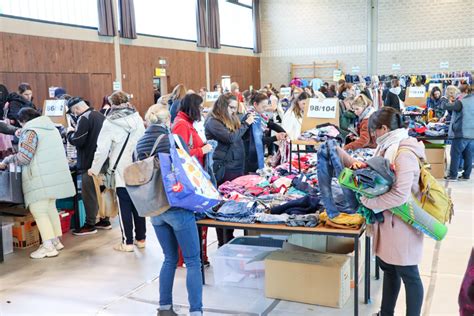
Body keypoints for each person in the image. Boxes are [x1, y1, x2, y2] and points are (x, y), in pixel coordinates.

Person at [339, 107, 425, 316]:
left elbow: (400, 195)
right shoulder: (387, 147)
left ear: (384, 128)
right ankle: (386, 313)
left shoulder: (404, 153)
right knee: (390, 269)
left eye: (373, 131)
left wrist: (368, 202)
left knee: (409, 274)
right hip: (389, 223)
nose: (372, 136)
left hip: (404, 223)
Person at [135, 105, 203, 316]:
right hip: (177, 205)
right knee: (192, 260)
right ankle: (196, 312)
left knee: (169, 258)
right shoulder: (172, 139)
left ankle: (164, 308)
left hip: (155, 208)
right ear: (167, 121)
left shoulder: (139, 144)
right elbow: (188, 168)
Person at [0, 108, 75, 259]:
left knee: (39, 210)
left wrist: (7, 160)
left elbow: (24, 158)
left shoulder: (30, 132)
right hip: (54, 176)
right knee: (50, 208)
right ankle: (55, 241)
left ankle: (47, 247)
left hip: (39, 177)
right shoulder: (51, 128)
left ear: (22, 121)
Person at [88, 91, 146, 252]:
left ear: (111, 104)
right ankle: (141, 239)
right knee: (138, 204)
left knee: (124, 205)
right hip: (138, 166)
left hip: (121, 167)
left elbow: (102, 149)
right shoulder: (137, 118)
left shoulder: (110, 122)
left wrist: (94, 169)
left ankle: (127, 242)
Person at [205, 93, 254, 246]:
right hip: (225, 168)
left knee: (233, 204)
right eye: (231, 107)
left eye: (235, 108)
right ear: (222, 106)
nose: (233, 111)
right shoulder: (213, 122)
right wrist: (245, 124)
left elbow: (238, 137)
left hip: (236, 167)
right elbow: (231, 138)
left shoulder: (230, 118)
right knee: (224, 206)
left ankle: (229, 239)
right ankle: (223, 242)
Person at [66, 97, 109, 235]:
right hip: (101, 162)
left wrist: (69, 133)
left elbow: (78, 140)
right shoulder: (100, 116)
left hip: (88, 164)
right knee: (101, 193)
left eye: (74, 112)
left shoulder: (84, 118)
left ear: (76, 109)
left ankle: (90, 224)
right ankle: (104, 219)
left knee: (89, 194)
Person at [243, 92, 286, 173]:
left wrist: (284, 132)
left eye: (266, 106)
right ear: (255, 104)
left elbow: (270, 124)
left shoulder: (260, 116)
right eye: (263, 106)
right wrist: (276, 137)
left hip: (255, 152)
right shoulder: (252, 118)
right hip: (249, 154)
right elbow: (259, 141)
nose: (265, 109)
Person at [441, 83, 474, 181]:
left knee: (455, 154)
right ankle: (466, 175)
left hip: (461, 133)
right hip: (472, 134)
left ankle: (453, 176)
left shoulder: (461, 102)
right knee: (468, 155)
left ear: (464, 92)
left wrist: (444, 97)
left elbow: (444, 106)